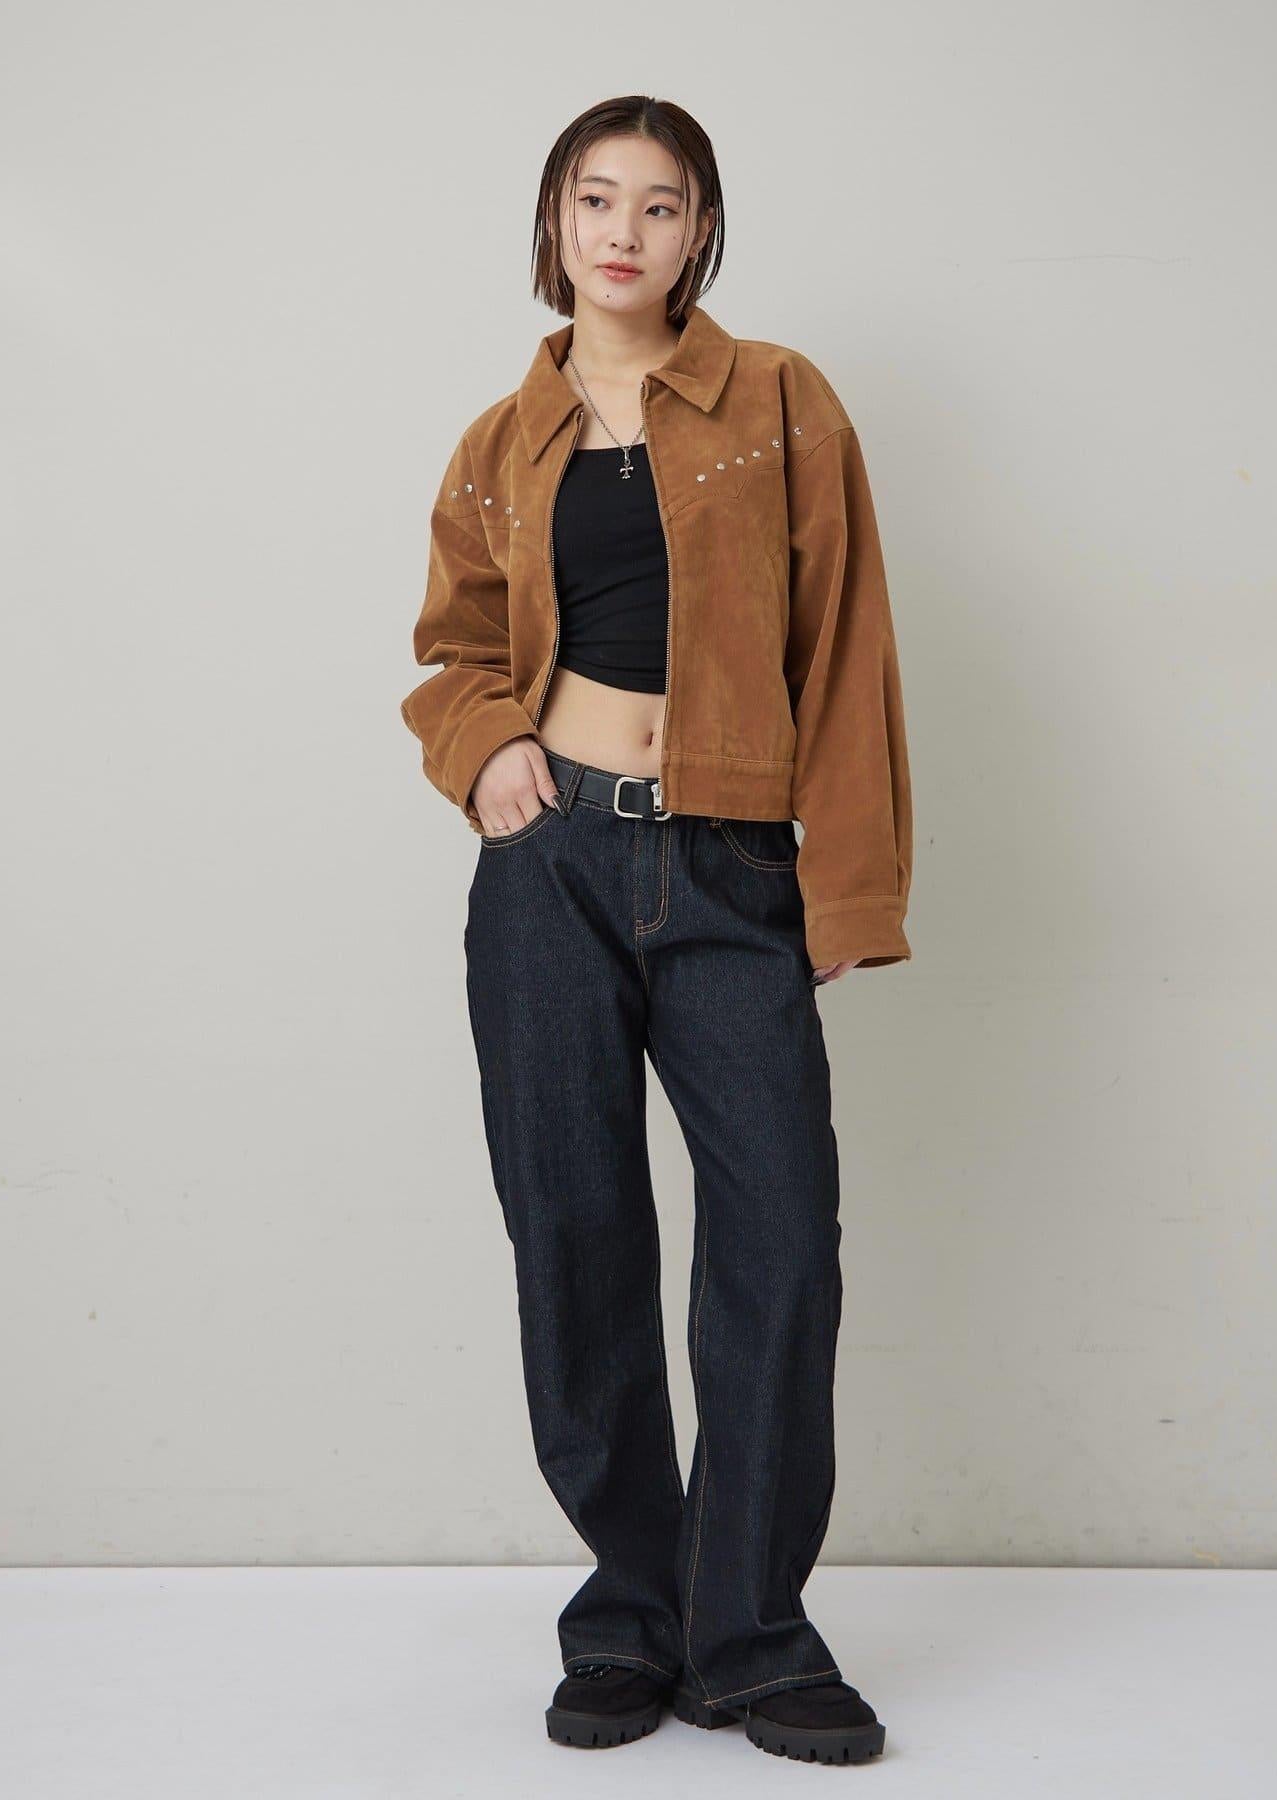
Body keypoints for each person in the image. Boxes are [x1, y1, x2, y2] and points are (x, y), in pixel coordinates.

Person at [401, 94, 912, 1767]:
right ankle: (630, 1611)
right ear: (553, 221)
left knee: (782, 1242)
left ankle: (751, 1633)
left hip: (731, 866)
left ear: (702, 231)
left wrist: (848, 884)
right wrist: (486, 753)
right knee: (576, 1235)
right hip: (547, 867)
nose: (624, 231)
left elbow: (847, 645)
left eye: (663, 203)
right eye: (595, 198)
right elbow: (455, 650)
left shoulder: (781, 401)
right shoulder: (501, 439)